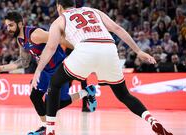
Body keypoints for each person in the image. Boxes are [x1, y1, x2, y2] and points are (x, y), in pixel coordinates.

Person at [31, 0, 173, 135]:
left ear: (59, 7)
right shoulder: (93, 11)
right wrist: (138, 51)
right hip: (109, 48)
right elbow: (117, 28)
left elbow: (50, 47)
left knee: (55, 83)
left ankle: (50, 130)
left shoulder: (60, 19)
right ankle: (152, 120)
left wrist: (38, 71)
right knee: (124, 95)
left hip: (85, 49)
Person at [0, 11, 97, 135]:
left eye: (11, 25)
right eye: (7, 26)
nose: (8, 29)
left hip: (59, 67)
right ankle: (45, 127)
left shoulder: (35, 34)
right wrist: (0, 69)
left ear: (20, 24)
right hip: (45, 70)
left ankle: (87, 92)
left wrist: (80, 49)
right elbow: (24, 62)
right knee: (35, 96)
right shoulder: (20, 40)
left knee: (53, 104)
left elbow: (60, 39)